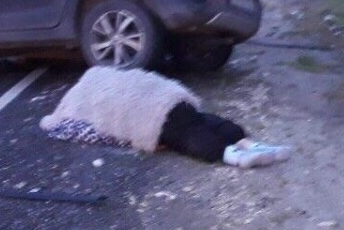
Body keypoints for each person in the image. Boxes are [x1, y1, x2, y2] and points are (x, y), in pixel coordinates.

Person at [40, 67, 290, 167]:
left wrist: (138, 141)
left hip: (148, 113)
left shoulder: (73, 110)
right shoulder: (96, 73)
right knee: (202, 120)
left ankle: (235, 156)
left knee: (186, 136)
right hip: (168, 96)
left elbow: (94, 133)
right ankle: (251, 145)